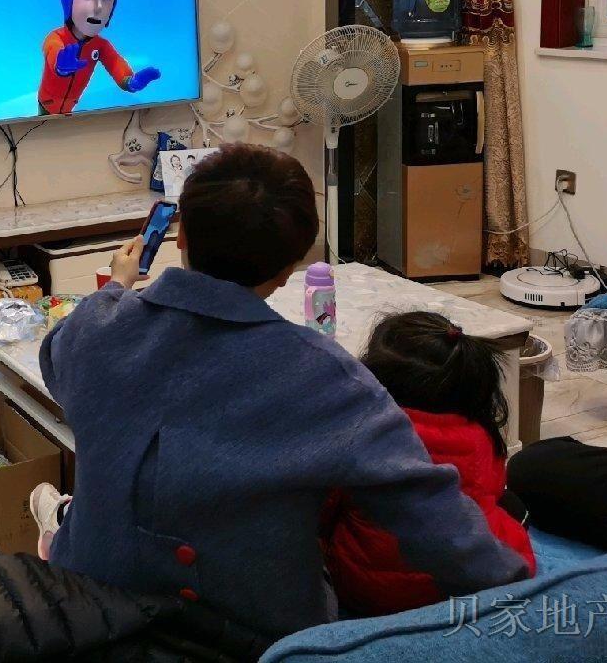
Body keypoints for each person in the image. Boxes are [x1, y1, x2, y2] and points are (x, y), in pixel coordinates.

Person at [37, 144, 529, 640]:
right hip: (253, 633)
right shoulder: (328, 377)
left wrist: (115, 288)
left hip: (89, 609)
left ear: (181, 235)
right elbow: (432, 518)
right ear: (290, 267)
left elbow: (57, 363)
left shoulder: (97, 328)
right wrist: (525, 597)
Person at [322, 311, 536, 616]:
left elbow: (326, 507)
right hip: (459, 586)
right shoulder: (480, 436)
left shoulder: (361, 431)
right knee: (510, 507)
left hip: (364, 591)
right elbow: (490, 491)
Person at [37, 0, 160, 115]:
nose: (98, 7)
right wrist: (60, 64)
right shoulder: (57, 37)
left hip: (69, 109)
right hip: (47, 104)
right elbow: (52, 48)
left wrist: (129, 81)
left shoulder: (100, 46)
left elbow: (115, 62)